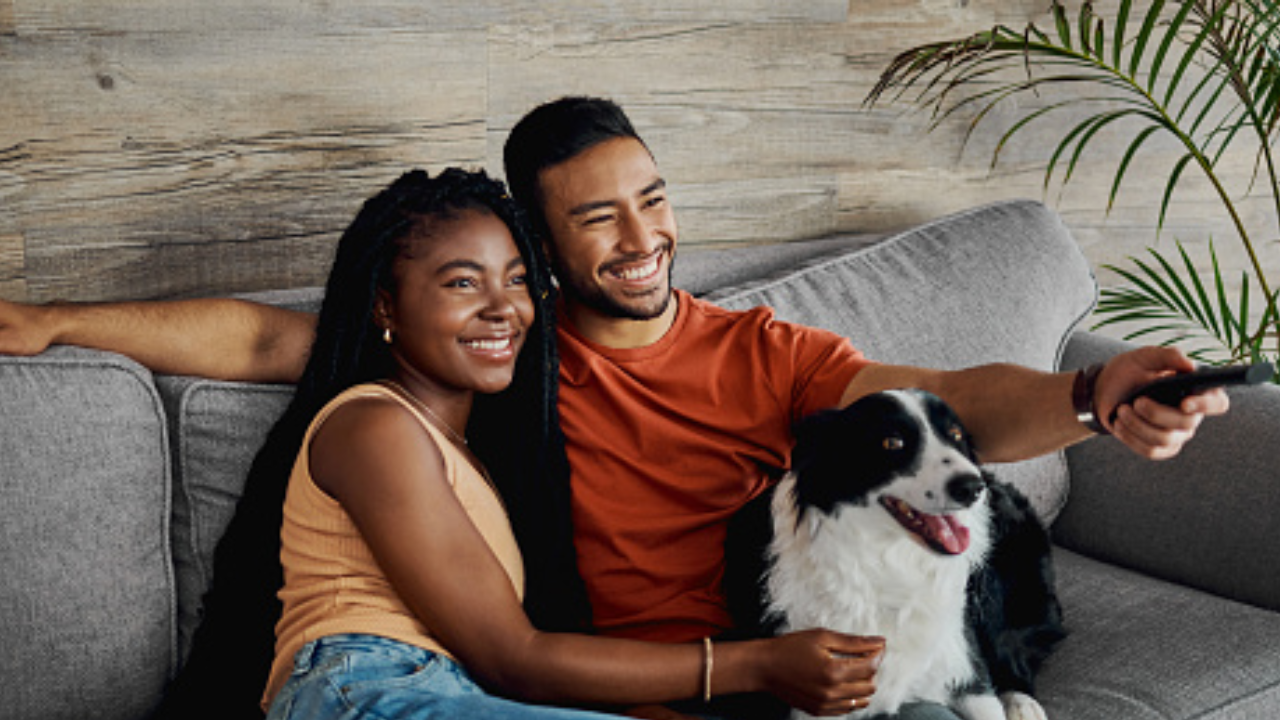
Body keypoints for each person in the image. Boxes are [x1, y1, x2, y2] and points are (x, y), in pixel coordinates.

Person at [0, 97, 1228, 720]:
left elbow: (944, 407)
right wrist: (56, 323)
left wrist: (1086, 394)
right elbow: (275, 336)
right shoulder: (500, 360)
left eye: (650, 199)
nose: (642, 241)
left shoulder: (762, 351)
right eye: (597, 218)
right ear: (543, 246)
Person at [248, 166, 883, 720]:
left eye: (518, 279)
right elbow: (512, 657)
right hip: (362, 691)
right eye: (464, 284)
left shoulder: (468, 450)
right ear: (385, 305)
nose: (504, 308)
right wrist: (761, 666)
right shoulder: (375, 425)